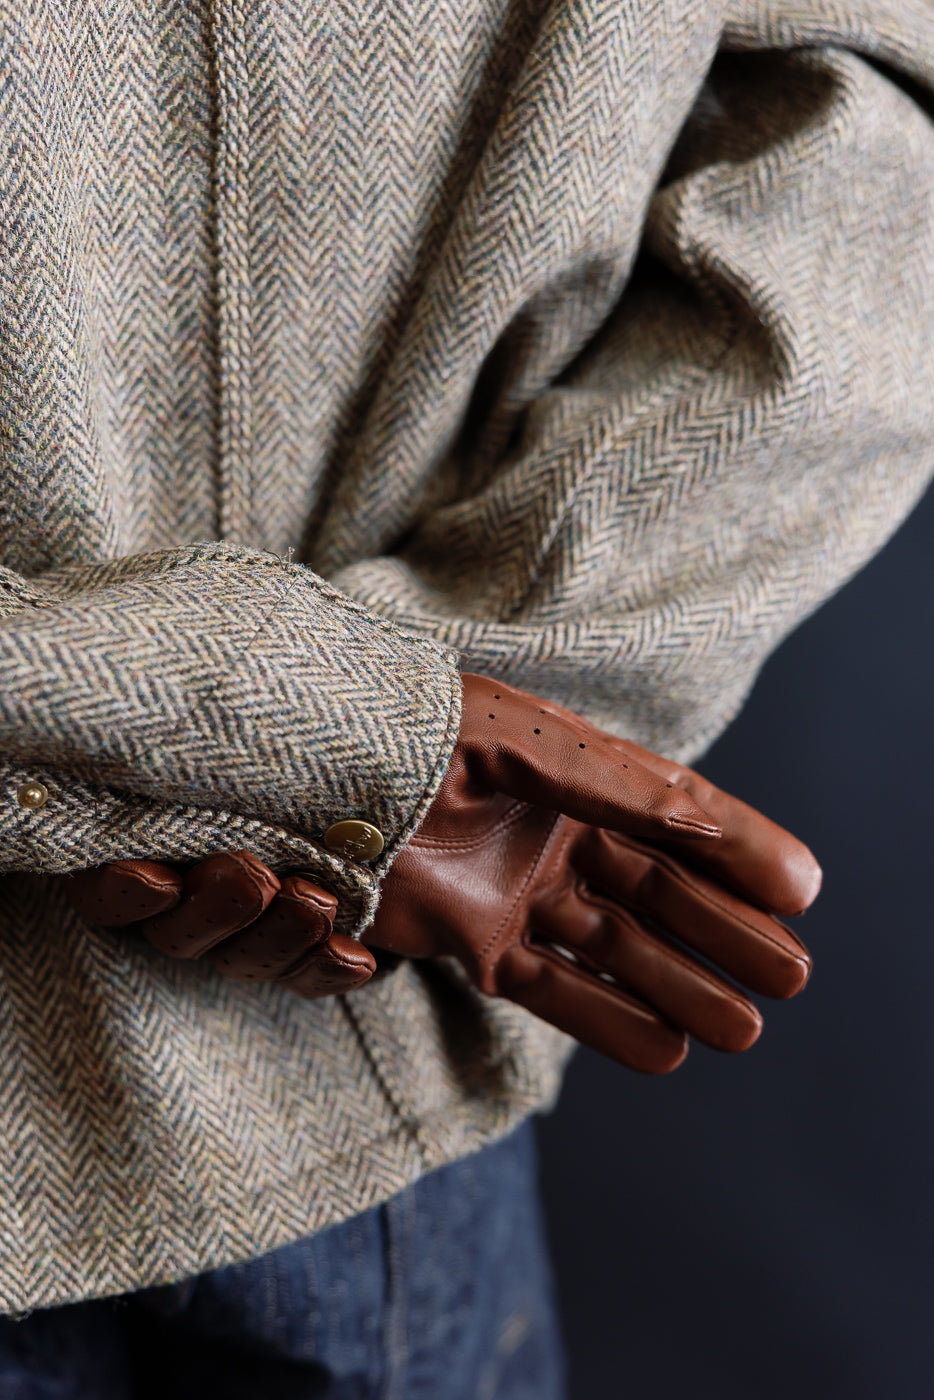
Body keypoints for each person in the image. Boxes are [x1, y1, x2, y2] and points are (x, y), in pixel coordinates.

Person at [0, 0, 932, 1393]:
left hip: (376, 1079)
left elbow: (876, 126)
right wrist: (323, 728)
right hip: (377, 1045)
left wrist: (392, 720)